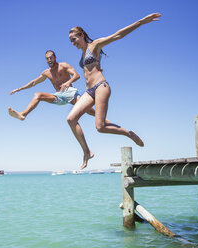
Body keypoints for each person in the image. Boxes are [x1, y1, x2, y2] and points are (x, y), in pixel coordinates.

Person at [67, 13, 161, 169]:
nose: (72, 43)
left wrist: (140, 22)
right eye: (70, 41)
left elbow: (118, 35)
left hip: (101, 87)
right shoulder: (82, 53)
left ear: (82, 35)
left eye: (74, 39)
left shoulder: (94, 45)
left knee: (100, 127)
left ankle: (128, 133)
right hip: (89, 91)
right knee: (71, 119)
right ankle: (86, 152)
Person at [8, 50, 98, 120]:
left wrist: (67, 82)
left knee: (86, 108)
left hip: (71, 93)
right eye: (47, 58)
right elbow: (33, 82)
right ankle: (23, 114)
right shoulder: (46, 72)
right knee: (38, 95)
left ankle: (101, 117)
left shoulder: (63, 66)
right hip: (59, 96)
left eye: (51, 58)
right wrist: (19, 89)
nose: (49, 60)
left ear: (55, 57)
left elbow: (76, 75)